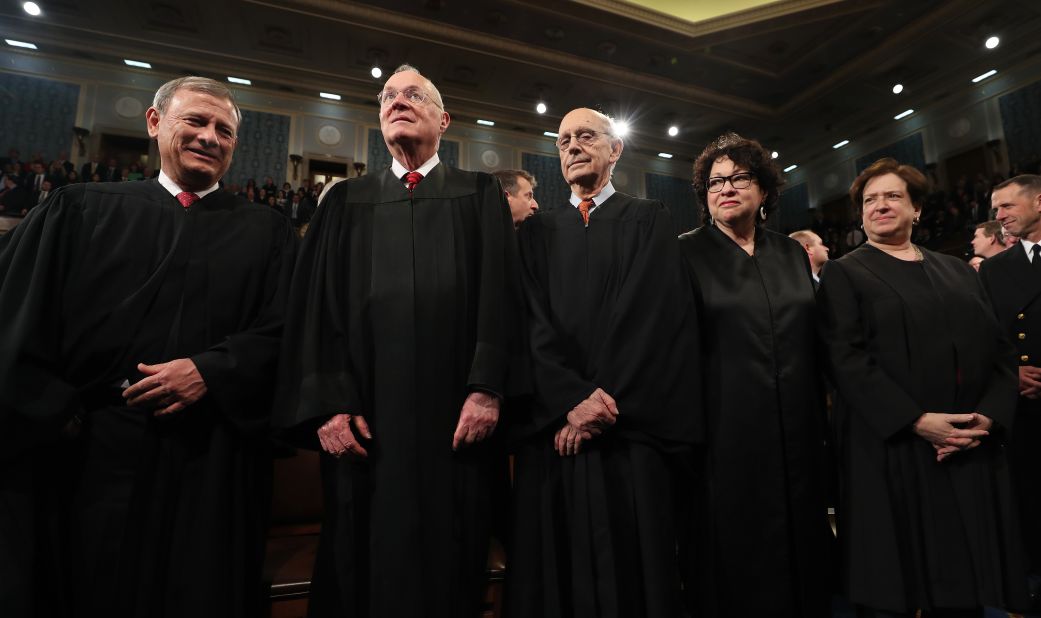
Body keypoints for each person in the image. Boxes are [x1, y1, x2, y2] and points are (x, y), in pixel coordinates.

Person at [0, 76, 297, 617]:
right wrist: (59, 409)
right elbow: (19, 318)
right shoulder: (79, 209)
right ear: (156, 123)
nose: (210, 136)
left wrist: (211, 371)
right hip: (97, 451)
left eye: (224, 130)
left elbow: (287, 331)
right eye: (196, 121)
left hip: (215, 455)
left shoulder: (268, 232)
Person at [274, 64, 521, 618]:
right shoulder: (343, 202)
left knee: (451, 558)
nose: (397, 101)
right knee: (360, 560)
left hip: (455, 425)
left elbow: (500, 298)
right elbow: (316, 310)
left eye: (413, 94)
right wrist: (329, 404)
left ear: (445, 119)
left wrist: (487, 389)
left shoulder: (479, 195)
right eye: (388, 96)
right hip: (365, 426)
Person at [506, 107, 701, 618]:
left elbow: (653, 320)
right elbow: (528, 324)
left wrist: (598, 405)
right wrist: (569, 399)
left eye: (586, 136)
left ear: (614, 150)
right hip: (555, 431)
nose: (571, 146)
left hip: (628, 429)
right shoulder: (535, 233)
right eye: (563, 139)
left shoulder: (650, 219)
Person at [819, 158, 1028, 617]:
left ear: (916, 208)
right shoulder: (845, 273)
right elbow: (845, 359)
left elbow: (999, 352)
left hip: (966, 444)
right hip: (895, 449)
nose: (880, 206)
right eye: (870, 200)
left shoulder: (957, 271)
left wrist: (987, 418)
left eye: (893, 196)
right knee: (904, 588)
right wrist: (916, 421)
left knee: (967, 586)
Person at [677, 131, 833, 618]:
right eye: (715, 181)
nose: (726, 187)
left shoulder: (790, 252)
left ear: (764, 190)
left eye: (740, 177)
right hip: (724, 436)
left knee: (804, 554)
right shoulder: (682, 252)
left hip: (800, 432)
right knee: (735, 561)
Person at [980, 174, 1041, 610]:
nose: (998, 216)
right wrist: (1010, 375)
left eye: (1006, 206)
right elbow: (983, 337)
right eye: (995, 209)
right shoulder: (996, 269)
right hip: (1024, 409)